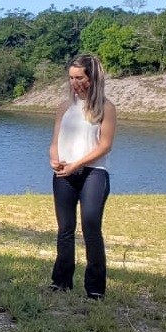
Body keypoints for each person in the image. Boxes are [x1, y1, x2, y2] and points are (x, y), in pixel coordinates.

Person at [48, 54, 116, 300]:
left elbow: (104, 145)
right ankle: (61, 281)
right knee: (65, 229)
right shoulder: (64, 107)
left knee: (91, 228)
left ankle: (95, 288)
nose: (74, 83)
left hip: (94, 173)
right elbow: (55, 141)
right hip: (64, 173)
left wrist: (77, 163)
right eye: (71, 78)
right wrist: (54, 159)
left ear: (92, 77)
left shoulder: (105, 108)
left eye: (79, 77)